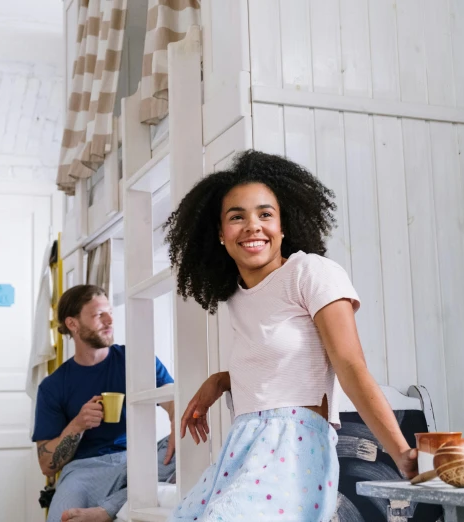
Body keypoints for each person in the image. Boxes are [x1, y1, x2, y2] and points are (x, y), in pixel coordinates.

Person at [163, 150, 418, 521]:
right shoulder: (236, 298)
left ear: (284, 226)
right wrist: (221, 380)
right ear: (220, 234)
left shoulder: (310, 272)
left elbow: (349, 364)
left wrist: (401, 453)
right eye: (237, 217)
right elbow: (283, 368)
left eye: (266, 214)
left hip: (295, 447)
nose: (253, 226)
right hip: (243, 445)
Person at [33, 285, 176, 522]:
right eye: (99, 315)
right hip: (84, 472)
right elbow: (47, 466)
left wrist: (175, 419)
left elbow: (172, 401)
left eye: (110, 312)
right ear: (73, 324)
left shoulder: (136, 360)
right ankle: (115, 505)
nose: (110, 320)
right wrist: (77, 425)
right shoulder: (53, 386)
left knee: (185, 442)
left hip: (135, 460)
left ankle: (105, 511)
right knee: (63, 517)